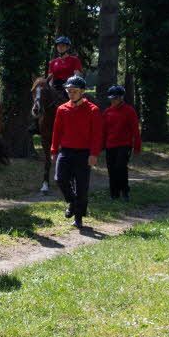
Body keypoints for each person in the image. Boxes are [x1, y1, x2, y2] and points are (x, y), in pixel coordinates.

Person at [50, 75, 102, 230]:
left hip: (84, 153)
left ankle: (78, 218)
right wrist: (54, 149)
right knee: (60, 179)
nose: (71, 94)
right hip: (65, 151)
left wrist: (93, 154)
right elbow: (57, 131)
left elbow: (97, 135)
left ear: (82, 92)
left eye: (74, 91)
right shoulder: (62, 109)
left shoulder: (93, 110)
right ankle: (72, 202)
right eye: (69, 91)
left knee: (81, 187)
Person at [101, 84, 141, 201]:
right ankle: (114, 194)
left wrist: (137, 147)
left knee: (121, 167)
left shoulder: (129, 111)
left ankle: (125, 191)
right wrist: (99, 146)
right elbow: (103, 131)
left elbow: (135, 130)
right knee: (111, 169)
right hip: (110, 145)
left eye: (116, 98)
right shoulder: (107, 112)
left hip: (124, 145)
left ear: (121, 98)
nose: (114, 101)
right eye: (112, 98)